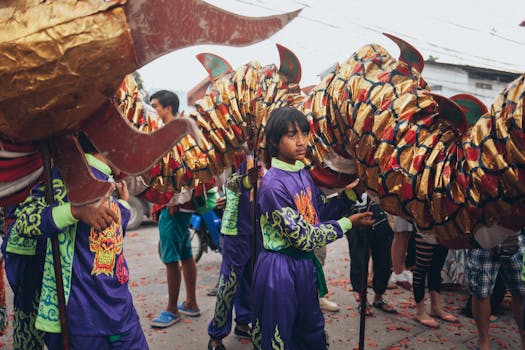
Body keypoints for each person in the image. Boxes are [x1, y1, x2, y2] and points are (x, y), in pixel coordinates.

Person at [9, 132, 148, 349]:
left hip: (119, 309)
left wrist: (123, 205)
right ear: (109, 145)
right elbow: (24, 222)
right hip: (83, 318)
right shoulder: (68, 176)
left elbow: (109, 232)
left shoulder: (108, 179)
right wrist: (75, 211)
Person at [251, 107, 374, 349]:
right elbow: (303, 237)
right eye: (292, 135)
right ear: (275, 140)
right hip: (280, 270)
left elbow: (318, 212)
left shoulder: (302, 174)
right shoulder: (272, 185)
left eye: (304, 134)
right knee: (279, 338)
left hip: (305, 268)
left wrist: (351, 194)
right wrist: (349, 223)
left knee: (312, 334)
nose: (301, 142)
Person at [150, 90, 214, 327]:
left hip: (175, 206)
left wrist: (172, 201)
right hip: (179, 205)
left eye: (156, 106)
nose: (154, 111)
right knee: (185, 255)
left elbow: (185, 170)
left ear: (168, 108)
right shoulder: (180, 130)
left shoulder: (176, 133)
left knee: (171, 258)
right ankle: (191, 303)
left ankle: (171, 309)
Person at [207, 157, 260, 350]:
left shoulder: (269, 151)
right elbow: (228, 183)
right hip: (236, 229)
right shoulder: (235, 153)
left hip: (260, 229)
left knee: (251, 279)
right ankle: (216, 335)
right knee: (229, 283)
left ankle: (244, 321)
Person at [466, 231, 525, 350]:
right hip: (481, 239)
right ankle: (484, 343)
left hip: (514, 237)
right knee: (481, 292)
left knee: (522, 291)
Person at [347, 194, 396, 316]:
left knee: (384, 259)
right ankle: (362, 300)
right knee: (359, 259)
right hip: (354, 209)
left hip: (379, 209)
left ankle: (378, 297)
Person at [412, 233, 457, 328]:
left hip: (442, 228)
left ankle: (436, 307)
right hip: (424, 228)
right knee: (421, 267)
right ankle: (420, 312)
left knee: (437, 268)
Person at [389, 215, 414, 290]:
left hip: (409, 206)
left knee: (407, 232)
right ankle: (397, 272)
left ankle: (402, 268)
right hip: (397, 207)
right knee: (399, 233)